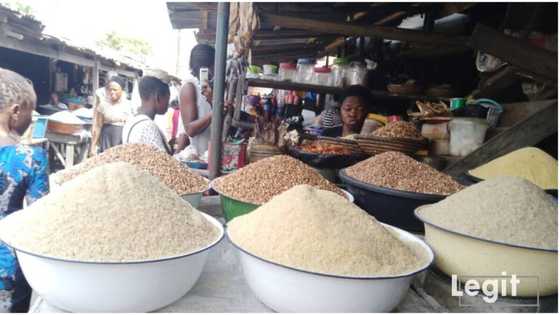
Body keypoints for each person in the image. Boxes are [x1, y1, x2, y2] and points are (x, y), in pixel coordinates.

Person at [0, 68, 49, 312]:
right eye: (32, 112)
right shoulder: (31, 157)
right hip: (7, 265)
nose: (33, 119)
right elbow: (41, 219)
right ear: (16, 112)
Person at [177, 44, 214, 157]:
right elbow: (190, 130)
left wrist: (213, 101)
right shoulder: (189, 88)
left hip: (212, 155)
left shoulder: (212, 88)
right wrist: (216, 111)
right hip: (198, 157)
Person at [122, 75, 172, 154]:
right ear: (158, 97)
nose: (168, 104)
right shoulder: (148, 126)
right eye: (167, 98)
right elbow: (164, 163)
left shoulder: (132, 120)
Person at [91, 76, 133, 153]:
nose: (112, 92)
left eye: (115, 90)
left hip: (121, 140)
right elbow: (98, 126)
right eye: (110, 89)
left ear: (122, 90)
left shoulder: (128, 106)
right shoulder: (103, 105)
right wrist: (93, 146)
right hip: (106, 140)